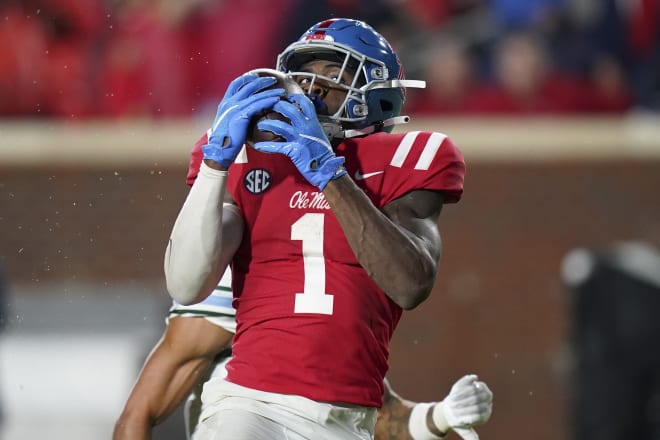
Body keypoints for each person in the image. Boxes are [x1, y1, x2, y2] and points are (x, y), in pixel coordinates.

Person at [164, 18, 468, 439]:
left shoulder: (408, 156)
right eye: (305, 75)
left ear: (376, 95)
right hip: (248, 405)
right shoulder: (255, 159)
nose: (314, 88)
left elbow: (410, 283)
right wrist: (215, 167)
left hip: (350, 420)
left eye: (334, 75)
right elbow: (186, 283)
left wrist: (330, 173)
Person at [113, 270, 493, 440]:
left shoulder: (331, 276)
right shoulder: (237, 276)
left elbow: (374, 418)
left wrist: (443, 414)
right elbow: (138, 415)